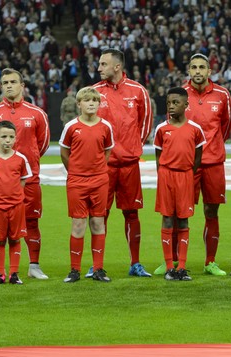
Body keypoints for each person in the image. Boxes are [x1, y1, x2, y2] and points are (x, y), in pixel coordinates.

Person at [165, 53, 231, 277]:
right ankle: (173, 261)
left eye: (202, 67)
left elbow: (226, 126)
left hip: (213, 162)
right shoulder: (180, 95)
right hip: (186, 165)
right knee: (177, 212)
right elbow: (173, 125)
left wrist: (212, 147)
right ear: (188, 70)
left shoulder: (223, 95)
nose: (197, 71)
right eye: (193, 67)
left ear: (209, 71)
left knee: (211, 211)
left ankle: (210, 262)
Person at [0, 68, 49, 281]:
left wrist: (28, 163)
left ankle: (34, 266)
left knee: (32, 222)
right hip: (1, 183)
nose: (9, 85)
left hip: (30, 179)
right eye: (5, 82)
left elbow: (42, 144)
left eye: (13, 82)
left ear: (22, 86)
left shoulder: (37, 114)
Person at [93, 48, 153, 278]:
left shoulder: (138, 91)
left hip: (129, 165)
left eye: (103, 64)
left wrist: (131, 149)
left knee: (131, 213)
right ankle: (97, 265)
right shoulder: (94, 92)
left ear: (117, 67)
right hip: (103, 166)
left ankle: (135, 263)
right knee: (101, 214)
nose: (99, 68)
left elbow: (145, 126)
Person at [58, 87, 114, 283]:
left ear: (99, 104)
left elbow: (107, 151)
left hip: (99, 180)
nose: (91, 103)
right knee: (79, 224)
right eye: (87, 100)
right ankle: (74, 270)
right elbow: (64, 153)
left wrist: (97, 170)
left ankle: (98, 269)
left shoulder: (106, 126)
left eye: (94, 100)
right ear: (79, 104)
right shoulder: (71, 127)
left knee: (98, 222)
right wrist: (75, 171)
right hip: (77, 181)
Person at [153, 87, 205, 281]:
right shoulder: (161, 129)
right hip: (167, 176)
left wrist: (187, 174)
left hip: (185, 177)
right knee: (167, 218)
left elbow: (198, 156)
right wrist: (167, 174)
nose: (171, 106)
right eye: (168, 103)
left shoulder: (195, 129)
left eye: (175, 103)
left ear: (186, 105)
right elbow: (159, 157)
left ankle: (182, 267)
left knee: (183, 220)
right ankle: (169, 267)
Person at [0, 121, 32, 285]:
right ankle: (0, 274)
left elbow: (23, 180)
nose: (7, 140)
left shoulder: (20, 159)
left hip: (16, 206)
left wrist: (15, 196)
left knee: (15, 239)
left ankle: (14, 274)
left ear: (15, 138)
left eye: (11, 137)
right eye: (4, 136)